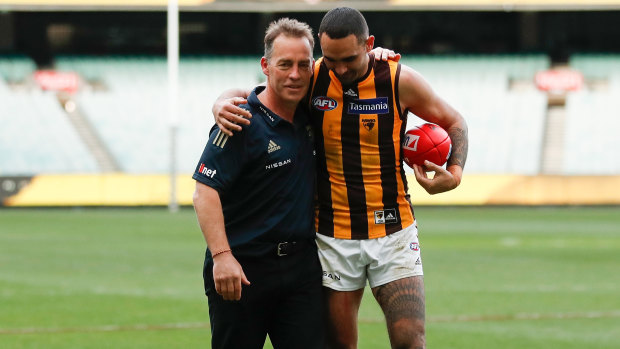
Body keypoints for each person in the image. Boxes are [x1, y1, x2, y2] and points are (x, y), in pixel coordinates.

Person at [213, 7, 469, 349]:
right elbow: (261, 94)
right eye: (331, 59)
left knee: (411, 341)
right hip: (332, 236)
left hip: (393, 229)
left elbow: (455, 122)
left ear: (369, 44)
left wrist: (454, 174)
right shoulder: (313, 77)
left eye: (349, 58)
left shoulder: (398, 80)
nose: (341, 69)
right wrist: (219, 102)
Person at [192, 18, 325, 349]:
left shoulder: (313, 113)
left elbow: (354, 65)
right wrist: (222, 256)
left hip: (301, 269)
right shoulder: (239, 120)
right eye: (285, 65)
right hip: (242, 269)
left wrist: (378, 53)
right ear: (266, 66)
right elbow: (204, 192)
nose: (295, 74)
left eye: (302, 65)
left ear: (313, 67)